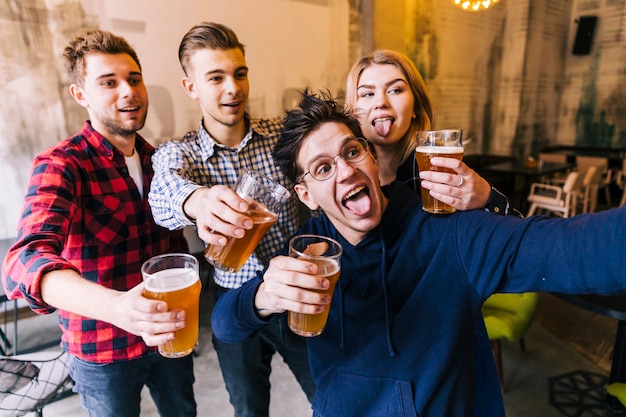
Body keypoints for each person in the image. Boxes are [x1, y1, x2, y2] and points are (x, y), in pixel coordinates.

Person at [211, 90, 626, 417]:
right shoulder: (308, 249)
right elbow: (225, 325)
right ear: (307, 194)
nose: (347, 170)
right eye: (323, 168)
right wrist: (263, 297)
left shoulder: (450, 232)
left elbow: (576, 249)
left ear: (371, 157)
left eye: (352, 151)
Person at [1, 30, 196, 417]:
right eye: (109, 82)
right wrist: (118, 308)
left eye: (134, 79)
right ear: (81, 95)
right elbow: (25, 260)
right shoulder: (62, 164)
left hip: (169, 333)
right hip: (102, 349)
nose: (128, 92)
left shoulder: (161, 160)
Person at [148, 22, 315, 416]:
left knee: (329, 392)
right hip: (234, 300)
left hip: (292, 288)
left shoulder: (280, 134)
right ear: (191, 87)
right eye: (216, 77)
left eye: (240, 74)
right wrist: (198, 200)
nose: (233, 88)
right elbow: (162, 192)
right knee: (248, 408)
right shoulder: (181, 151)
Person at [345, 49, 521, 415]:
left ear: (415, 106)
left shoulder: (442, 171)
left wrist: (485, 195)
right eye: (366, 93)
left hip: (448, 342)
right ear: (352, 110)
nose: (380, 102)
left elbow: (516, 242)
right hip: (378, 346)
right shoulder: (345, 181)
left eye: (395, 89)